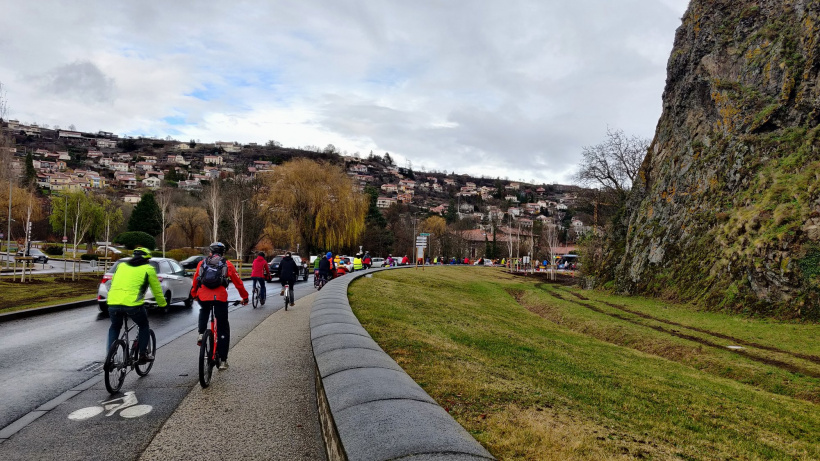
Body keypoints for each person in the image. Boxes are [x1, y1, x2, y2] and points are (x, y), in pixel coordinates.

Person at [191, 242, 249, 370]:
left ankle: (201, 333)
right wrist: (244, 297)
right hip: (220, 299)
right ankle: (223, 360)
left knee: (204, 309)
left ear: (210, 252)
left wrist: (194, 294)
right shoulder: (227, 264)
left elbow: (196, 279)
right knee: (223, 326)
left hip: (204, 297)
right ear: (223, 252)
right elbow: (238, 283)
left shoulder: (202, 263)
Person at [106, 247, 165, 363]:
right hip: (132, 305)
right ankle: (143, 354)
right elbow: (157, 290)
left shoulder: (121, 266)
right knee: (143, 325)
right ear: (147, 260)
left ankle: (110, 356)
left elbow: (113, 283)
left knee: (115, 326)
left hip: (113, 302)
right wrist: (162, 304)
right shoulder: (148, 269)